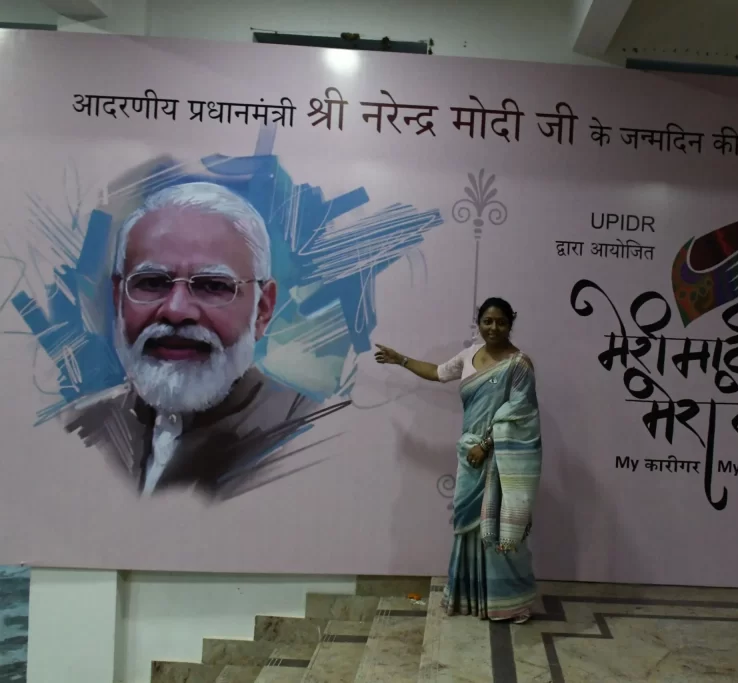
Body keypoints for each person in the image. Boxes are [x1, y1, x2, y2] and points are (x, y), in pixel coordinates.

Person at [63, 182, 346, 499]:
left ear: (263, 309)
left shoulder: (310, 435)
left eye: (212, 286)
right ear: (118, 300)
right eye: (152, 282)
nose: (176, 311)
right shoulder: (83, 426)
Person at [375, 297, 542, 623]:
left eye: (501, 322)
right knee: (468, 528)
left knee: (502, 531)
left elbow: (521, 414)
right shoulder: (469, 356)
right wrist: (401, 360)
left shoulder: (519, 365)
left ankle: (510, 601)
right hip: (470, 458)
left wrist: (487, 443)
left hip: (500, 459)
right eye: (487, 321)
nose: (493, 328)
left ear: (511, 324)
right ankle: (470, 598)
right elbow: (438, 372)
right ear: (478, 323)